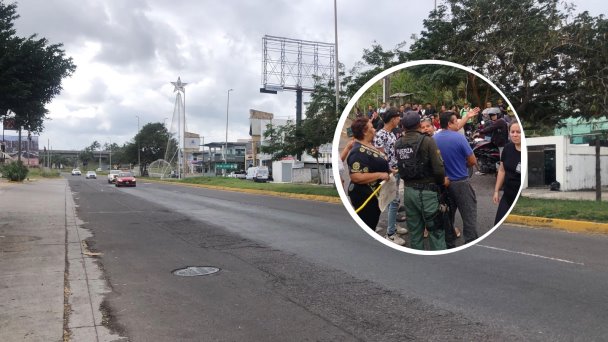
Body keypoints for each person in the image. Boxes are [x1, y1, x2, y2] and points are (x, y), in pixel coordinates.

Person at [396, 111, 448, 250]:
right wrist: (441, 183)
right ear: (419, 124)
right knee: (436, 230)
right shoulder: (427, 140)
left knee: (415, 232)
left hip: (408, 192)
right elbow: (439, 169)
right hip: (427, 192)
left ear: (403, 126)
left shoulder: (398, 143)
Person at [433, 111, 479, 248]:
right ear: (449, 123)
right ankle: (470, 242)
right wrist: (461, 164)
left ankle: (449, 243)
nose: (458, 123)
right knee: (469, 214)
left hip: (444, 183)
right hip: (460, 182)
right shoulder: (459, 138)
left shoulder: (434, 139)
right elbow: (472, 161)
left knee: (447, 215)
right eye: (456, 121)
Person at [346, 117, 392, 231]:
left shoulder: (368, 145)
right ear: (365, 131)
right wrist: (381, 175)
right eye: (372, 127)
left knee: (372, 223)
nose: (375, 129)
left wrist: (389, 171)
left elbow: (374, 163)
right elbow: (356, 176)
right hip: (365, 196)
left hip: (375, 196)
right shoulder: (357, 151)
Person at [373, 108, 407, 245]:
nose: (400, 119)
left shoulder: (391, 133)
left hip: (396, 171)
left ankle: (393, 226)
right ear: (393, 119)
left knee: (395, 201)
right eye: (398, 117)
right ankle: (391, 234)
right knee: (393, 202)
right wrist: (389, 170)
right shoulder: (381, 135)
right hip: (389, 173)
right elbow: (380, 156)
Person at [493, 121, 522, 224]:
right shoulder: (507, 148)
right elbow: (502, 170)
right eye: (512, 131)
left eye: (518, 132)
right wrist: (496, 191)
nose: (515, 134)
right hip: (507, 195)